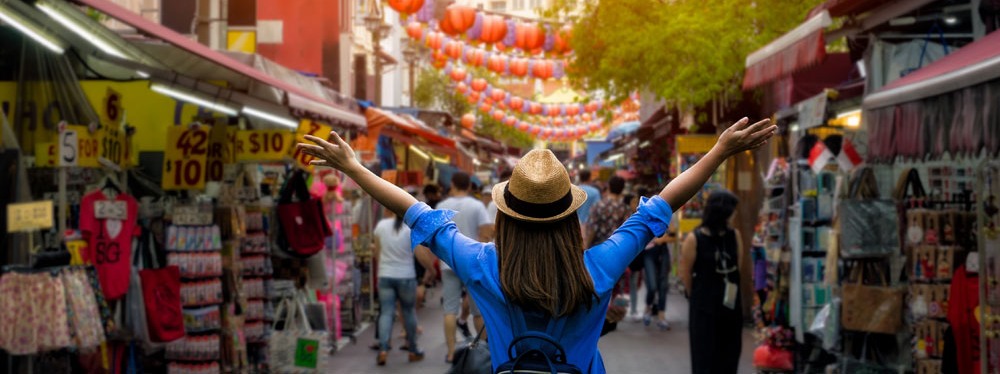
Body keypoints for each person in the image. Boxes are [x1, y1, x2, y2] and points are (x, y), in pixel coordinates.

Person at [297, 116, 774, 374]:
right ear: (571, 219)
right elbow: (662, 205)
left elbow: (416, 212)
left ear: (506, 216)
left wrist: (355, 169)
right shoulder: (598, 268)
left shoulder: (484, 266)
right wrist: (718, 151)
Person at [680, 189, 744, 374]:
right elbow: (686, 273)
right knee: (704, 356)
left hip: (730, 306)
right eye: (732, 209)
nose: (735, 214)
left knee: (729, 356)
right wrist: (696, 297)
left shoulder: (735, 236)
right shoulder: (695, 239)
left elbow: (738, 267)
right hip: (704, 307)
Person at [436, 170, 492, 362]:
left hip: (448, 261)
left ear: (452, 185)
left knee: (450, 309)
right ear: (469, 186)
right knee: (478, 311)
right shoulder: (476, 206)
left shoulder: (442, 205)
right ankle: (483, 351)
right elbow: (485, 233)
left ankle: (451, 353)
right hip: (472, 262)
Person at [372, 212, 435, 365]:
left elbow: (377, 253)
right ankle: (413, 350)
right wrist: (431, 271)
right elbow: (421, 255)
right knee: (409, 312)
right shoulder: (410, 229)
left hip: (385, 275)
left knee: (386, 313)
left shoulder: (380, 226)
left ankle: (383, 349)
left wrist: (383, 269)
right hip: (406, 276)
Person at [585, 175, 629, 248]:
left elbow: (592, 230)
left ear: (608, 186)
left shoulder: (598, 206)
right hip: (619, 248)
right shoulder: (625, 208)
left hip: (600, 248)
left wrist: (586, 247)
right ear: (622, 189)